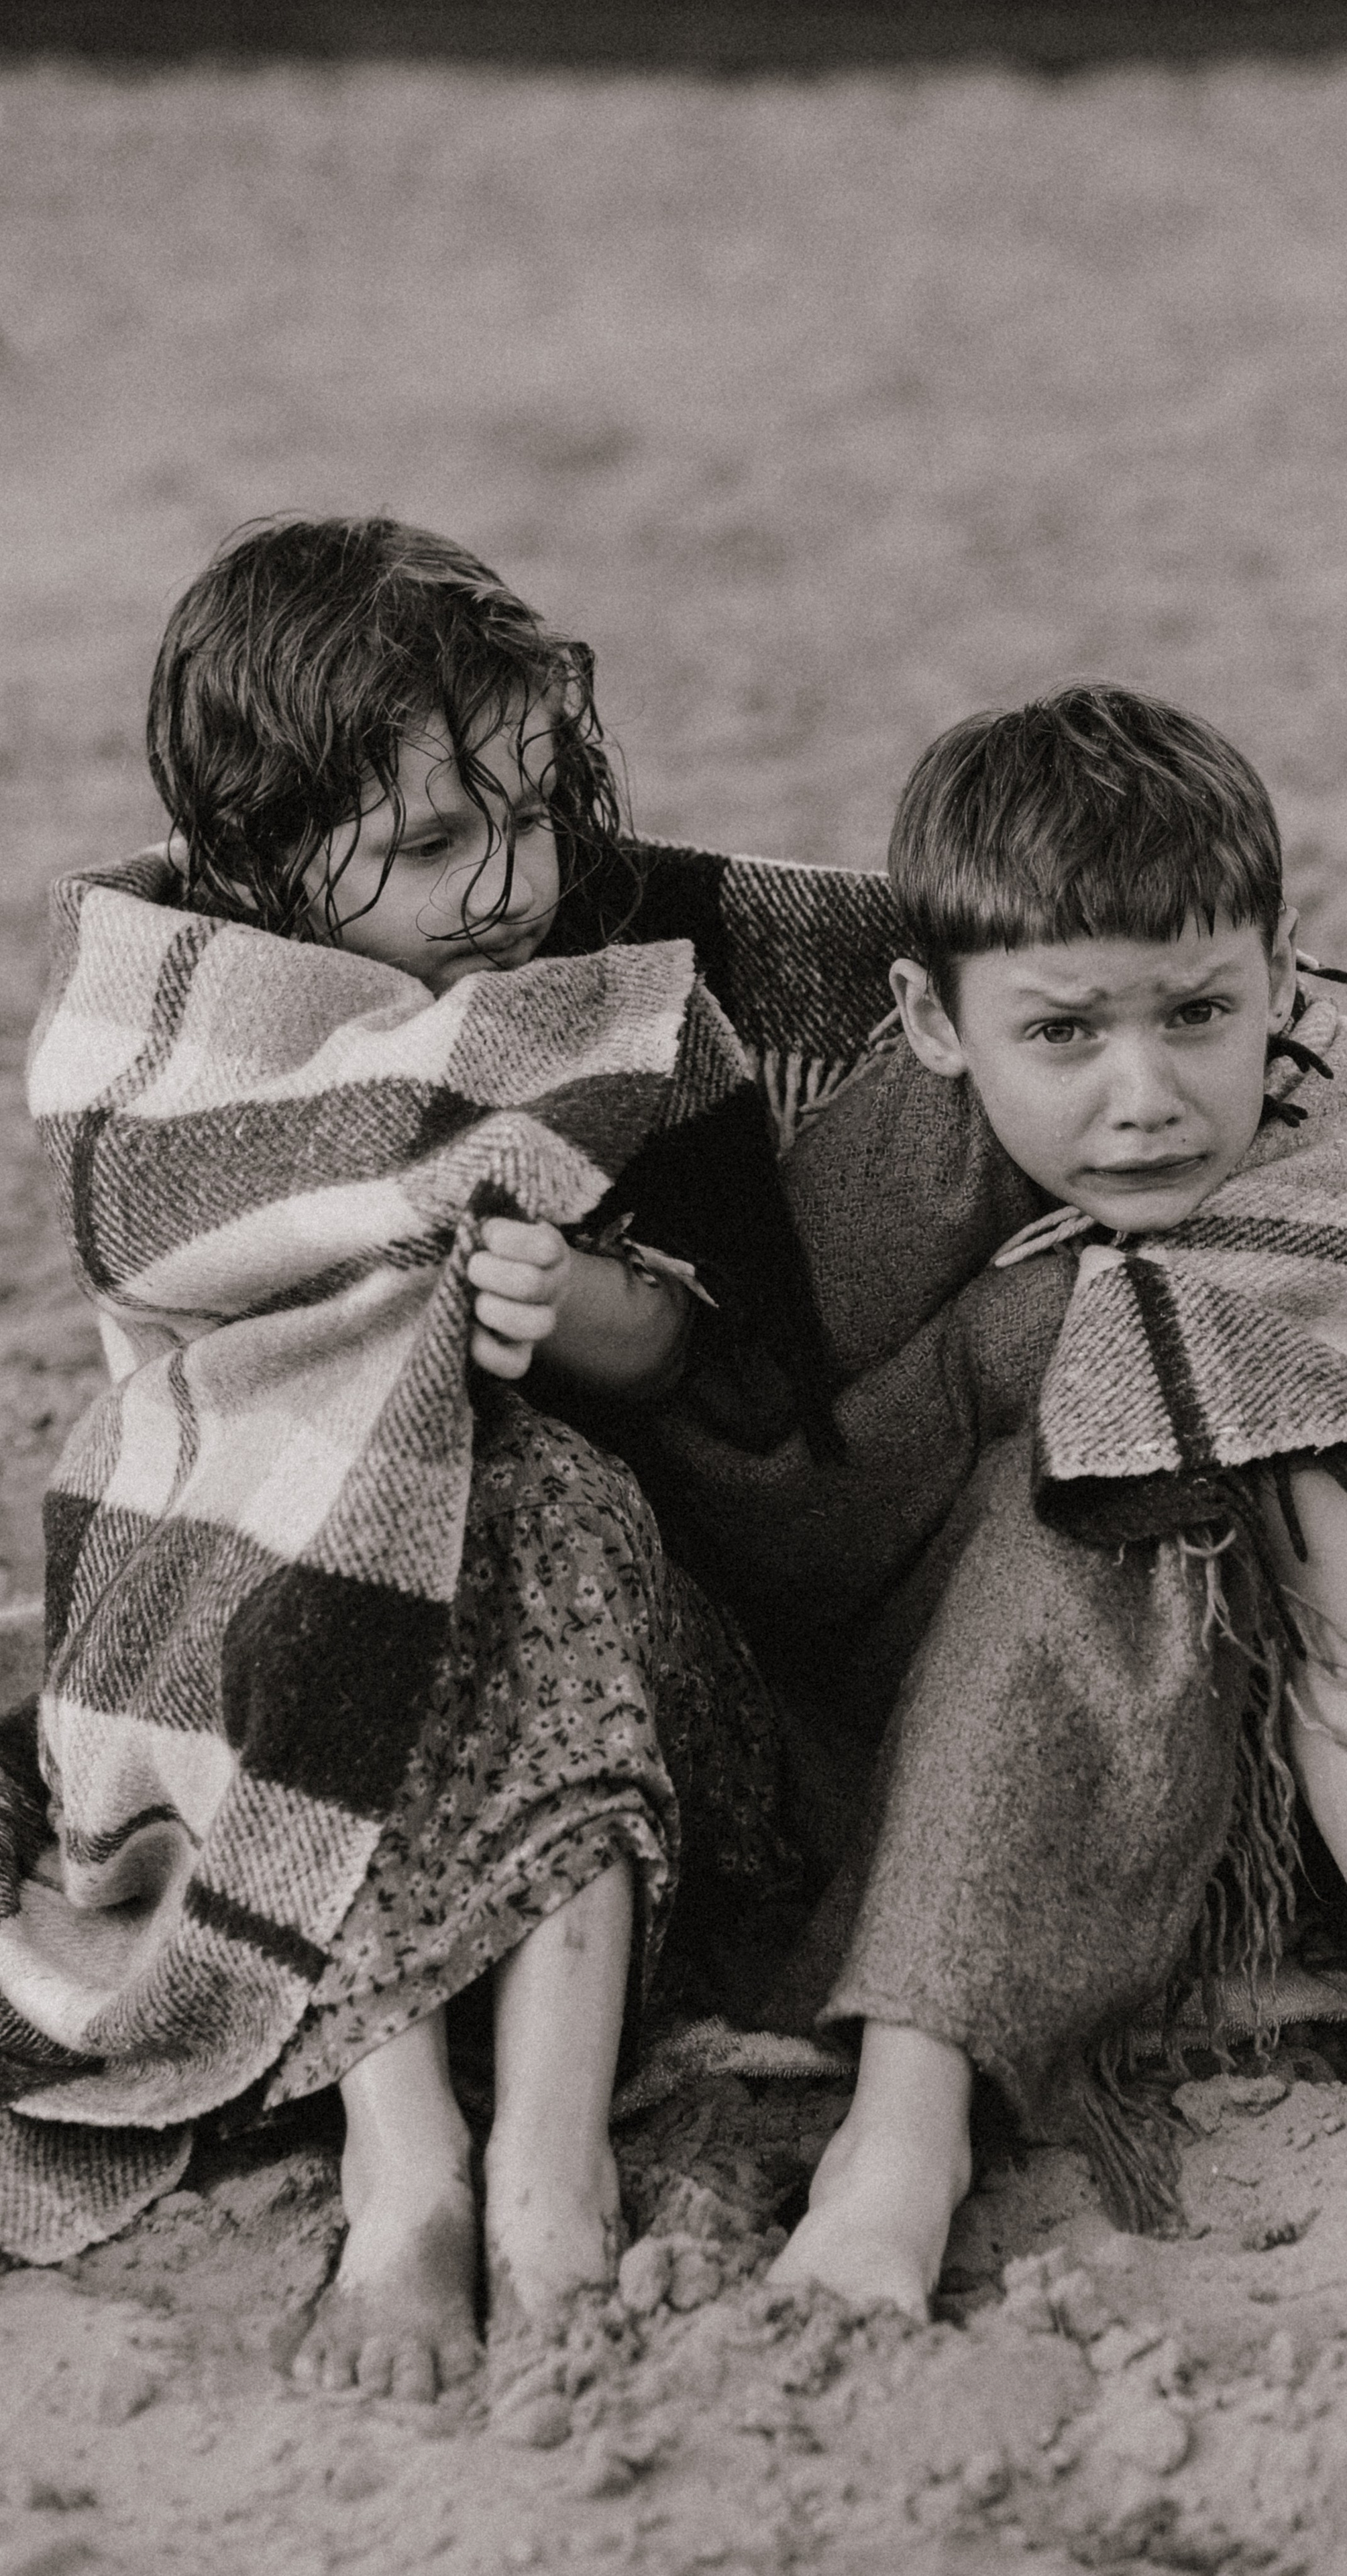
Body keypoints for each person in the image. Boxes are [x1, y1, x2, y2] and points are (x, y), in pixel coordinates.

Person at [594, 685, 1347, 2345]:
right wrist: (997, 1348)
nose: (1146, 1094)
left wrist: (1066, 1353)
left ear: (1280, 972)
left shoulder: (1346, 1120)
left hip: (1260, 1700)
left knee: (1196, 1444)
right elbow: (762, 1480)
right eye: (1062, 1034)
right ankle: (904, 2127)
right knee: (1089, 1407)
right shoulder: (868, 1152)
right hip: (874, 1724)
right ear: (929, 1019)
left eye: (1198, 1012)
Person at [7, 516, 800, 2402]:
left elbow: (763, 1388)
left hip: (629, 1703)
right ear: (263, 854)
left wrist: (604, 1314)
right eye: (436, 843)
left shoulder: (616, 1006)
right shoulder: (180, 1042)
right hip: (255, 1678)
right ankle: (407, 2146)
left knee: (538, 1492)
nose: (511, 884)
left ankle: (546, 2150)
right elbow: (181, 1432)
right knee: (348, 1511)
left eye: (532, 813)